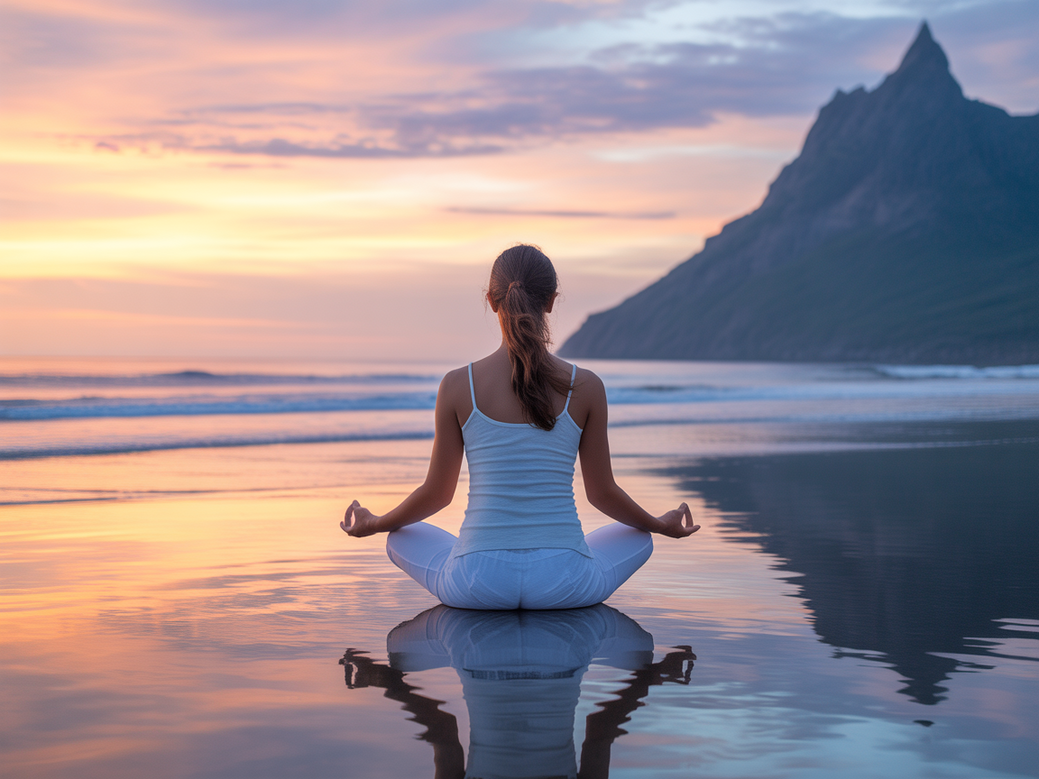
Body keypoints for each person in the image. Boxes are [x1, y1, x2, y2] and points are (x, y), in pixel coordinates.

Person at [341, 244, 699, 609]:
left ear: (491, 300)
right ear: (551, 301)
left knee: (399, 536)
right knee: (640, 536)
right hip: (566, 583)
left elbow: (437, 494)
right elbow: (602, 494)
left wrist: (376, 523)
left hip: (476, 584)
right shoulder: (587, 385)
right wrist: (659, 524)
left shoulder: (457, 385)